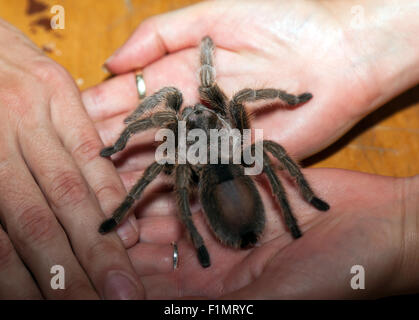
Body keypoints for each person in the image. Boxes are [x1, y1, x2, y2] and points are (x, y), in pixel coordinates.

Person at [0, 0, 417, 299]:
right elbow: (229, 110)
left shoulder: (183, 143)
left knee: (182, 169)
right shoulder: (231, 132)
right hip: (231, 176)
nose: (198, 113)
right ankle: (293, 210)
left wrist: (123, 141)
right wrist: (124, 137)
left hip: (215, 186)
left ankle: (277, 214)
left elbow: (165, 151)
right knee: (263, 149)